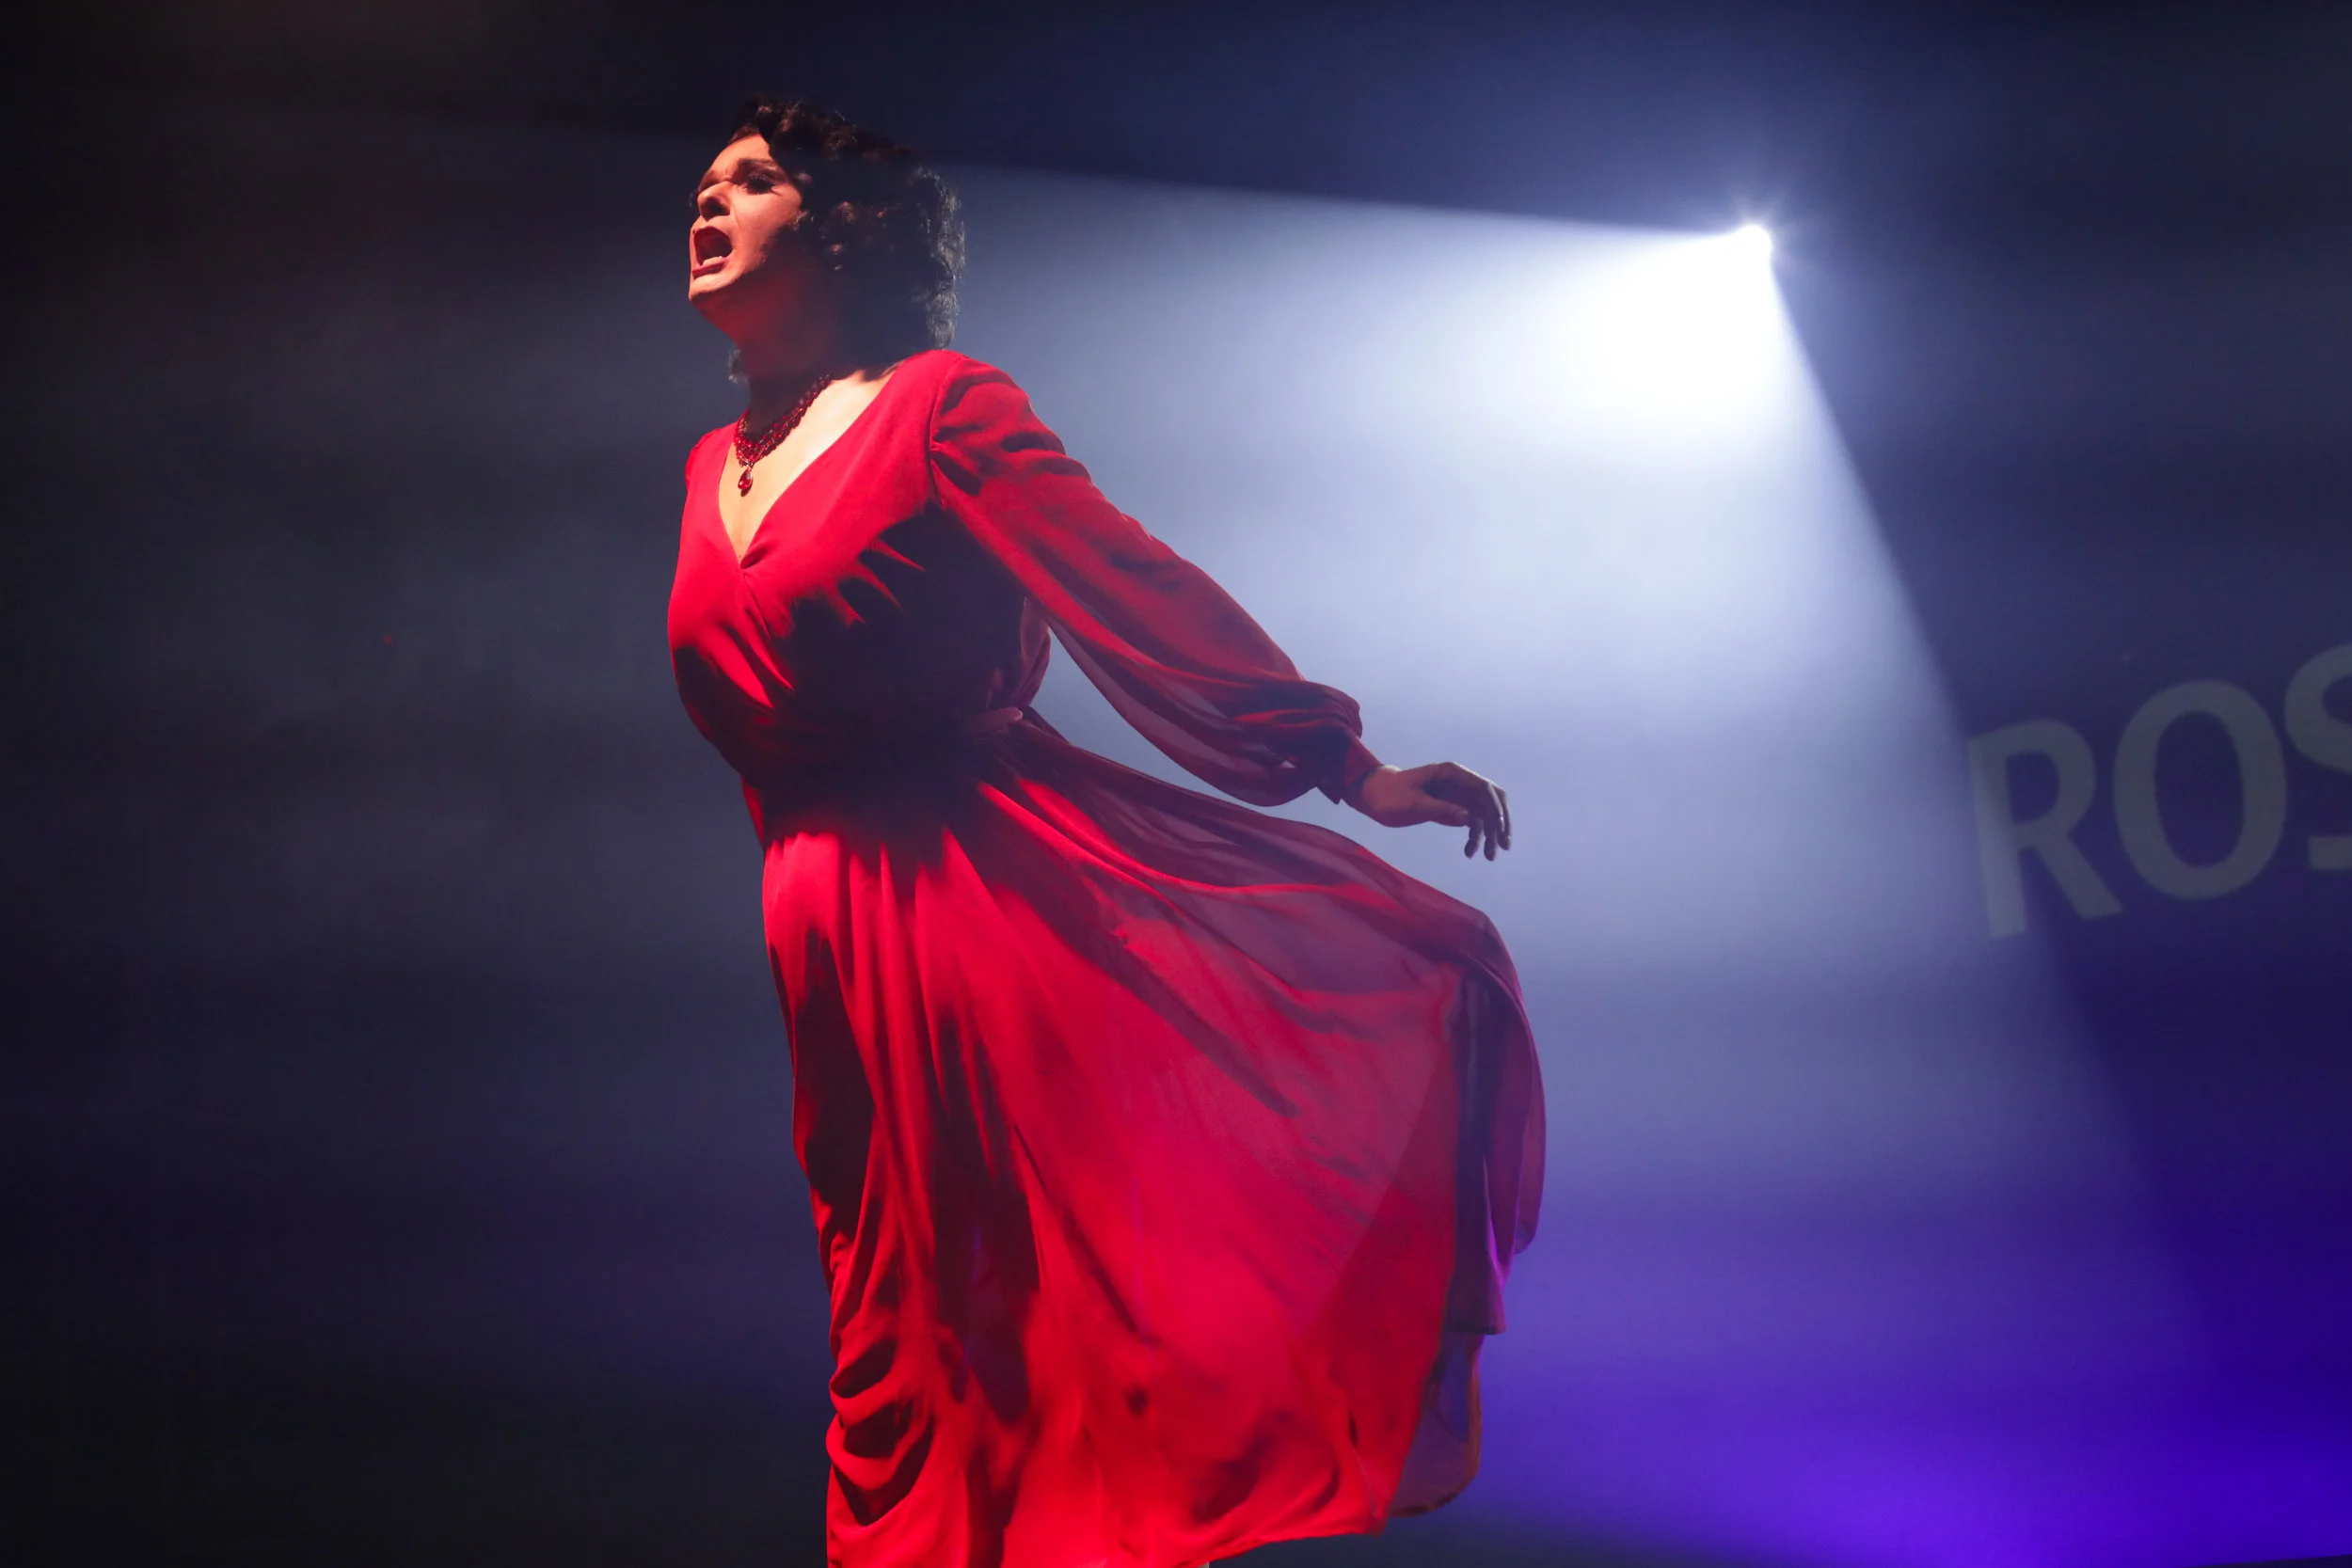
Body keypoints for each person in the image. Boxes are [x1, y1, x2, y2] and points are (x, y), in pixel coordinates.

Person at [668, 97, 1545, 1568]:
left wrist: (1344, 762)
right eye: (704, 182)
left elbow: (1123, 581)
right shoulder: (709, 468)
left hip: (978, 906)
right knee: (891, 1328)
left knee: (1007, 1322)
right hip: (824, 946)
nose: (708, 202)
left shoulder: (939, 404)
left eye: (751, 181)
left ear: (846, 223)